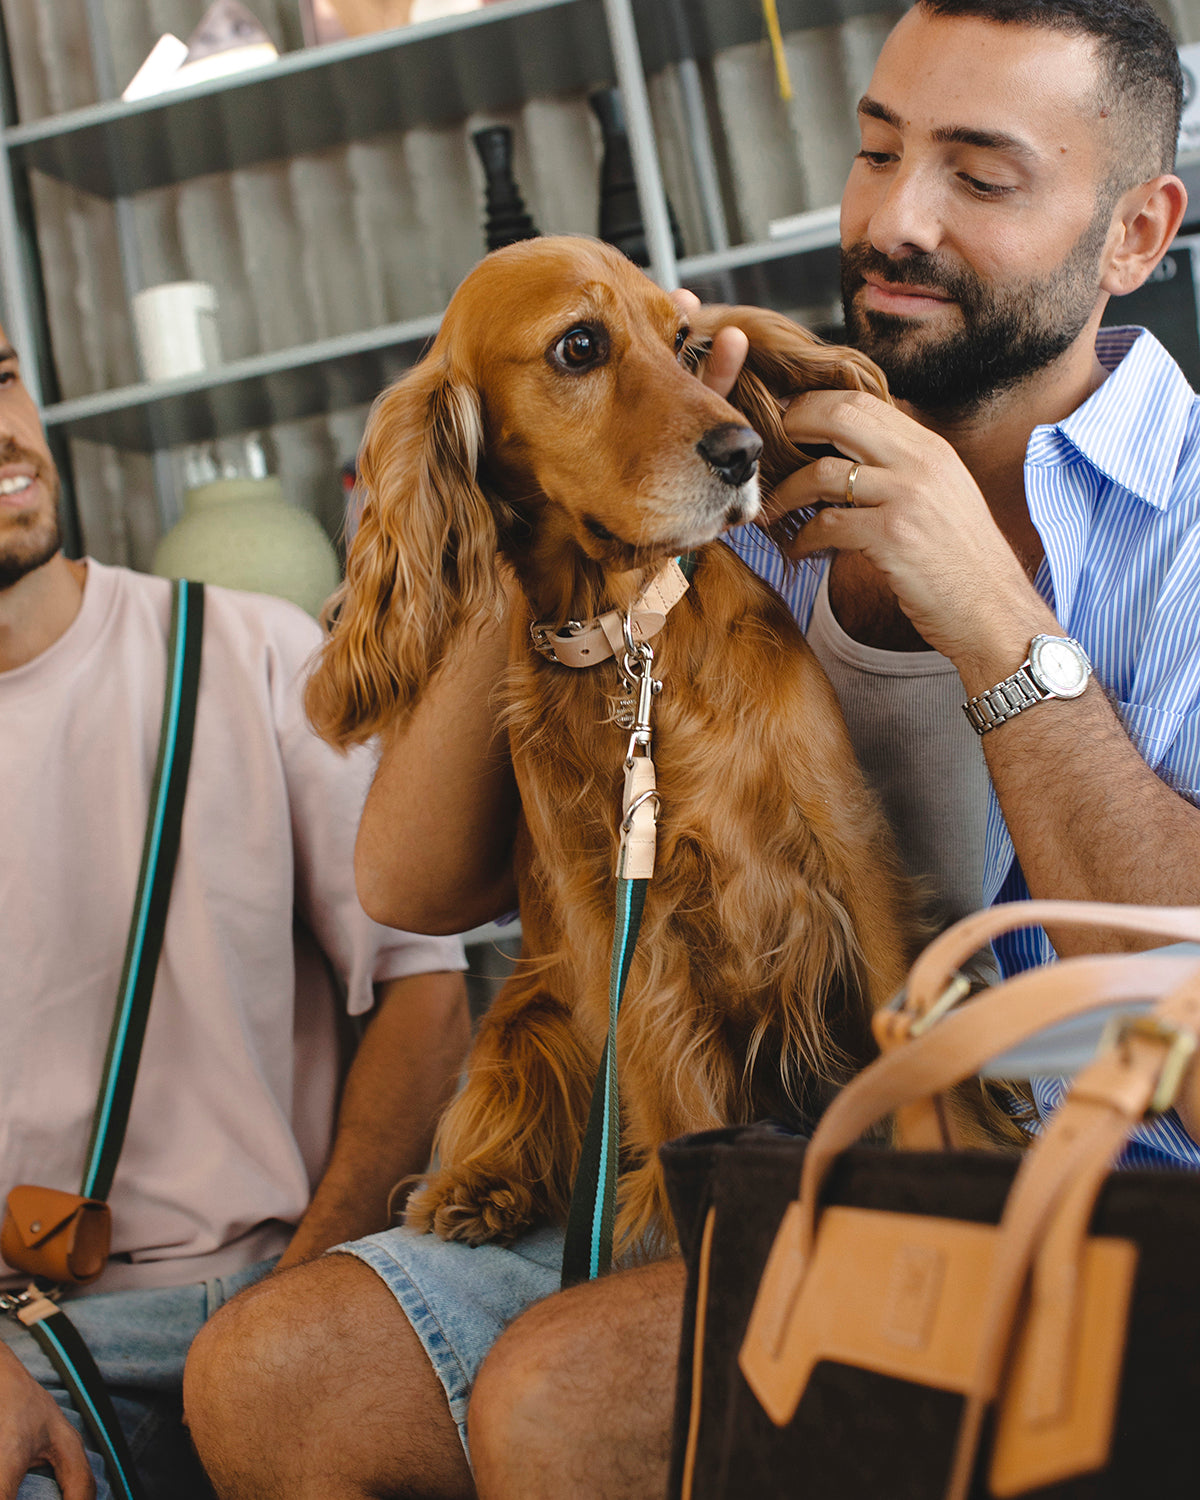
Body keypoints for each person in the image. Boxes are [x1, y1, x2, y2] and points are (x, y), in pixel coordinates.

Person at [182, 2, 1200, 1497]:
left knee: (563, 1394)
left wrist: (994, 617)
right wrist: (560, 474)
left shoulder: (1187, 521)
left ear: (1136, 235)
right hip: (739, 1159)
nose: (895, 221)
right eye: (876, 151)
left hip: (1082, 1209)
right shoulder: (734, 446)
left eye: (981, 177)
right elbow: (411, 883)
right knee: (268, 1378)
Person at [0, 321, 472, 1500]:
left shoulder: (247, 650)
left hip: (286, 1272)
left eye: (2, 377)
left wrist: (305, 1293)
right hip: (27, 1334)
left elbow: (424, 988)